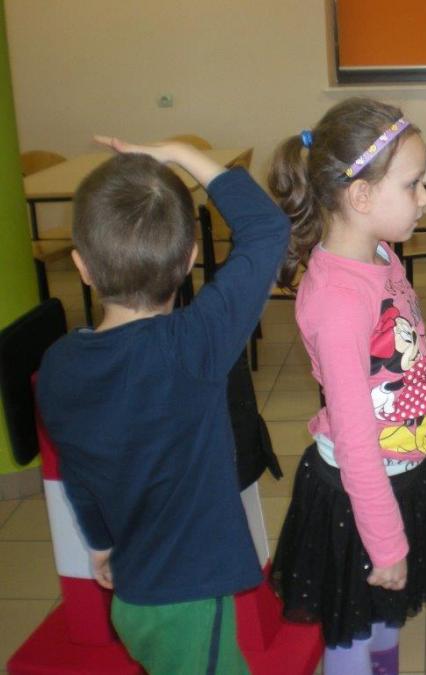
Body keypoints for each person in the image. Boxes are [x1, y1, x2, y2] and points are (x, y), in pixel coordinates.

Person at [36, 137, 290, 674]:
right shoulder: (194, 344)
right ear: (189, 260)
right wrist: (179, 152)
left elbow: (77, 470)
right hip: (189, 604)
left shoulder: (59, 366)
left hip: (136, 592)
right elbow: (267, 229)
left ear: (82, 266)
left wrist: (100, 543)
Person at [267, 98, 426, 675]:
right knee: (352, 627)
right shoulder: (337, 300)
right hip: (358, 495)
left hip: (401, 472)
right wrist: (384, 540)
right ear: (360, 196)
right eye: (413, 184)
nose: (425, 198)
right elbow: (356, 439)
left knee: (386, 613)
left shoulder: (379, 254)